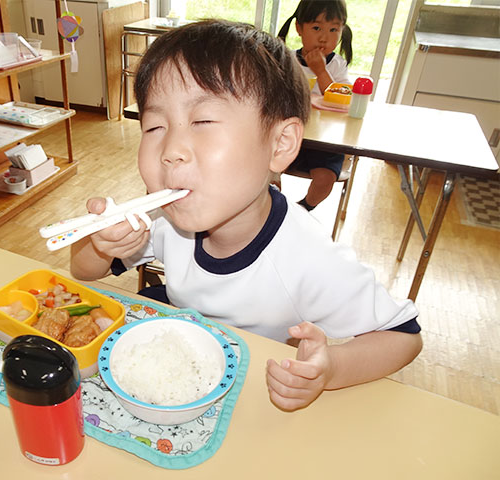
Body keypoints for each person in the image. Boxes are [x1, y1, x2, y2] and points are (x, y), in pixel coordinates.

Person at [70, 19, 422, 412]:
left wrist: (330, 370)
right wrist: (101, 243)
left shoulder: (308, 256)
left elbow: (404, 337)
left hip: (253, 395)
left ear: (280, 143)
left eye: (202, 121)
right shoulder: (166, 218)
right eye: (154, 126)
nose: (170, 149)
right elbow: (83, 272)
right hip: (174, 372)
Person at [276, 0, 353, 211]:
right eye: (316, 27)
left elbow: (341, 99)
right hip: (290, 136)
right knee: (267, 168)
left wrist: (320, 71)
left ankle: (303, 209)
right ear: (299, 28)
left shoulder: (337, 65)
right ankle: (272, 206)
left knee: (326, 178)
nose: (324, 37)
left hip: (325, 142)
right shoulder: (287, 60)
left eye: (333, 29)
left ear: (342, 31)